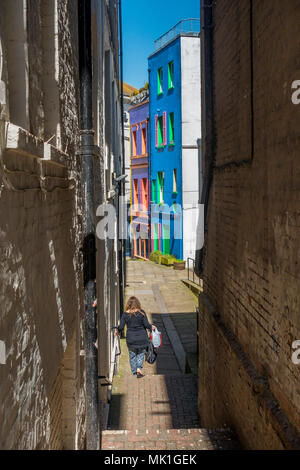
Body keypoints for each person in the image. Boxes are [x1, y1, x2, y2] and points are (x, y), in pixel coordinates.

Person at [115, 296, 156, 378]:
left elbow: (121, 327)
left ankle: (134, 372)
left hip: (131, 339)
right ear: (138, 303)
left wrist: (117, 331)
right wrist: (152, 326)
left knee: (132, 355)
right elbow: (147, 325)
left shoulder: (125, 314)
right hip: (142, 338)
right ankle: (138, 369)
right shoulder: (142, 313)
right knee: (141, 354)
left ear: (128, 304)